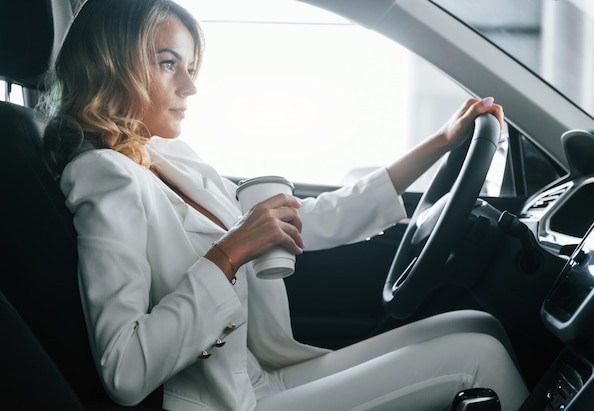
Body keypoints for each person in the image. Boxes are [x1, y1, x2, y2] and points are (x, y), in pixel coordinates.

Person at [41, 0, 529, 410]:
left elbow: (302, 221)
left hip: (258, 378)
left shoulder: (166, 158)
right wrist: (229, 254)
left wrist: (439, 143)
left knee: (477, 324)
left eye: (190, 68)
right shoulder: (105, 174)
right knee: (477, 357)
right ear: (111, 63)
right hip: (224, 402)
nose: (189, 87)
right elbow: (124, 369)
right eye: (168, 64)